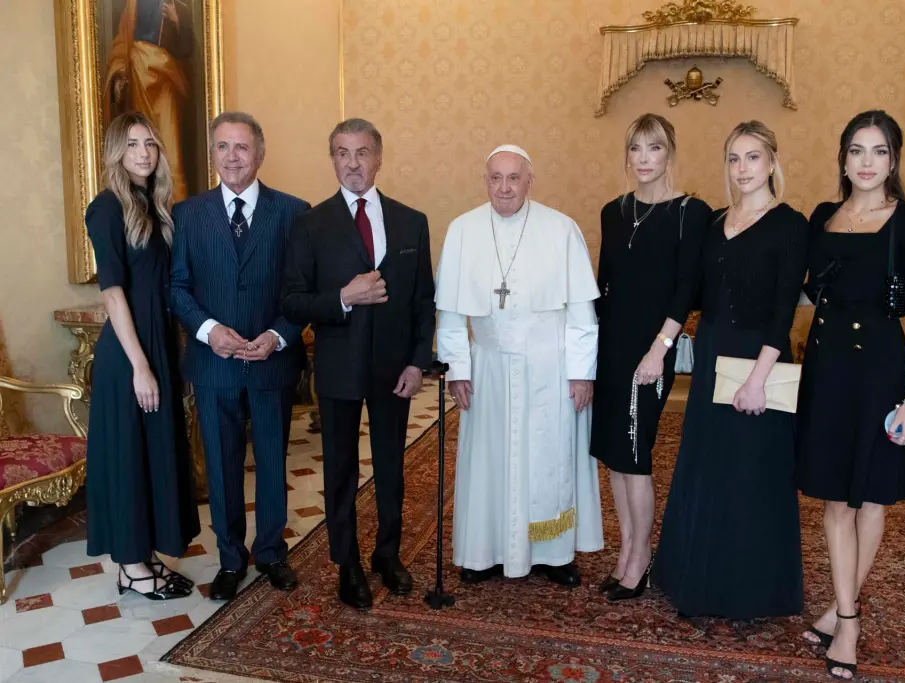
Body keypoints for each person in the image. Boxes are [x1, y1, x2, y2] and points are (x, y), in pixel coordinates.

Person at [796, 110, 905, 680]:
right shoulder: (822, 216)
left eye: (879, 151)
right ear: (843, 157)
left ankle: (845, 617)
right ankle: (844, 611)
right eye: (856, 150)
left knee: (872, 498)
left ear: (894, 159)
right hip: (827, 368)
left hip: (881, 368)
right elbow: (804, 293)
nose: (867, 162)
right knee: (835, 498)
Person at [651, 121, 808, 619]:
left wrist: (758, 380)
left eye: (753, 157)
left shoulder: (790, 223)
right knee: (707, 470)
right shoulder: (715, 221)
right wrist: (660, 346)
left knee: (751, 476)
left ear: (773, 161)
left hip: (759, 359)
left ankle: (748, 592)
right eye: (734, 159)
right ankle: (695, 578)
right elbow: (687, 294)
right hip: (715, 356)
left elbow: (784, 310)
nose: (743, 169)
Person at [281, 119, 436, 610]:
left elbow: (423, 303)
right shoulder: (311, 223)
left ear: (379, 156)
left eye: (362, 152)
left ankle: (387, 554)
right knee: (342, 470)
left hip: (395, 370)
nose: (353, 162)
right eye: (342, 153)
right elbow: (291, 300)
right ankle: (347, 563)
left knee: (392, 466)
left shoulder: (412, 221)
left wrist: (417, 362)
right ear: (332, 159)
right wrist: (343, 298)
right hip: (339, 369)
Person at [435, 144, 603, 587]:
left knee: (550, 460)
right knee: (488, 461)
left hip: (550, 366)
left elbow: (583, 312)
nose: (504, 187)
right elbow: (450, 313)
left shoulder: (561, 229)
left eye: (514, 178)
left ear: (530, 181)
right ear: (485, 180)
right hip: (488, 366)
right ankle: (483, 551)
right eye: (495, 178)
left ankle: (554, 553)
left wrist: (582, 371)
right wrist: (458, 368)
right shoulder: (463, 230)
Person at [170, 112, 310, 600]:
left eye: (242, 147)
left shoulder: (294, 212)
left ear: (260, 153)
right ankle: (231, 559)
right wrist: (209, 333)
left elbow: (302, 291)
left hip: (271, 361)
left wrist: (278, 334)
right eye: (223, 147)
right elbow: (179, 288)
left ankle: (271, 553)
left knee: (272, 460)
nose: (233, 156)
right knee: (224, 464)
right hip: (214, 366)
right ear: (213, 155)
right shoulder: (188, 214)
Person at [591, 113, 711, 601]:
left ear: (670, 153)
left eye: (654, 148)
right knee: (615, 459)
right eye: (636, 149)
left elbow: (686, 289)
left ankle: (640, 559)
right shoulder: (613, 211)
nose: (644, 159)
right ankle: (626, 552)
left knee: (637, 456)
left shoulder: (690, 212)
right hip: (611, 347)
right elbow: (603, 285)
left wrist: (659, 350)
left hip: (651, 351)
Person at [85, 111, 198, 600]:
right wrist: (141, 366)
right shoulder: (106, 207)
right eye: (132, 144)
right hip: (128, 355)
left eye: (150, 144)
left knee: (154, 452)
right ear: (116, 151)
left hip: (158, 344)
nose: (144, 153)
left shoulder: (152, 206)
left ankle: (144, 555)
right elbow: (113, 295)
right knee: (130, 454)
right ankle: (131, 568)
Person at [104, 0, 194, 202]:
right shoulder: (133, 5)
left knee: (170, 149)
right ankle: (144, 203)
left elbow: (187, 50)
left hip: (166, 83)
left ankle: (174, 207)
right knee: (141, 146)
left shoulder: (181, 8)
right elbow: (122, 43)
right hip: (139, 78)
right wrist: (118, 76)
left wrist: (176, 21)